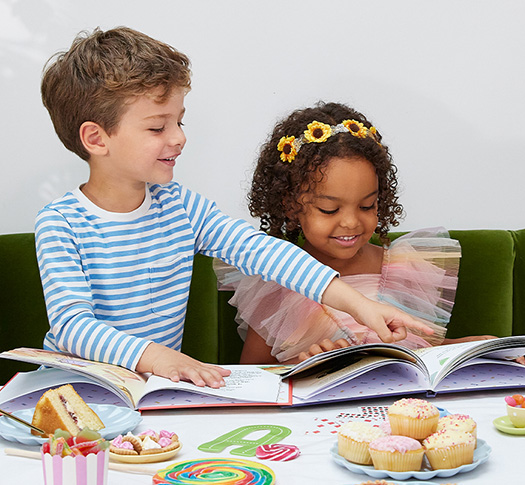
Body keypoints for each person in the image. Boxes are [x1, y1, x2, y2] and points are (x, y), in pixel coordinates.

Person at [35, 28, 432, 389]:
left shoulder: (181, 207)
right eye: (158, 127)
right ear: (96, 138)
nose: (178, 138)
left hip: (150, 387)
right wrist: (157, 357)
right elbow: (73, 326)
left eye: (180, 122)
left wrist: (359, 305)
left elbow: (264, 253)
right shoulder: (61, 222)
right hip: (74, 387)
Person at [222, 102, 497, 364]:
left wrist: (472, 346)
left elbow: (418, 354)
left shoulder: (406, 269)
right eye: (329, 209)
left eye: (367, 205)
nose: (351, 222)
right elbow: (254, 371)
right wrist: (303, 362)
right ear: (289, 204)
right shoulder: (278, 281)